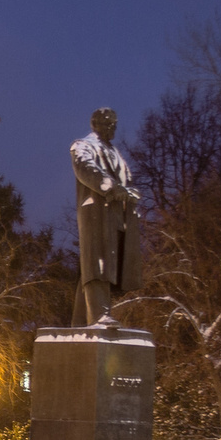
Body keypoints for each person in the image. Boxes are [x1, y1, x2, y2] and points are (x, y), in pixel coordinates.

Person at [71, 107, 141, 325]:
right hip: (97, 213)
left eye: (114, 124)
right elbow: (86, 168)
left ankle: (80, 321)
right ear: (96, 124)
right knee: (97, 264)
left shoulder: (115, 153)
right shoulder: (82, 145)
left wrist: (130, 192)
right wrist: (112, 187)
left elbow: (126, 180)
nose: (113, 128)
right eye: (109, 123)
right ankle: (99, 315)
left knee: (101, 266)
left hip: (117, 217)